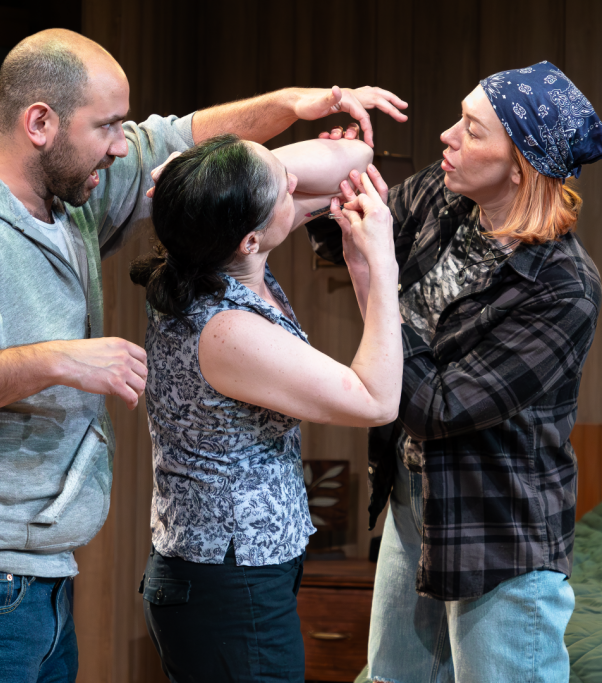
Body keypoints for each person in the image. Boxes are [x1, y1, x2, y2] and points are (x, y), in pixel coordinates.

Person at [0, 27, 407, 683]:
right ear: (40, 123)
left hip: (31, 575)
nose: (124, 147)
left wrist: (293, 101)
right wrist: (57, 359)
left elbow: (176, 138)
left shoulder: (69, 197)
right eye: (109, 126)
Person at [313, 61, 602, 682]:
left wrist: (377, 283)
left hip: (497, 522)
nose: (448, 135)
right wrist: (334, 184)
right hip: (412, 496)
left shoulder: (564, 287)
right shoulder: (442, 196)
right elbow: (359, 234)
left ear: (522, 164)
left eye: (473, 131)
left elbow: (440, 408)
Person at [130, 130, 402, 682]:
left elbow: (356, 158)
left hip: (241, 570)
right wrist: (381, 265)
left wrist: (237, 173)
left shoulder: (214, 254)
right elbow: (377, 400)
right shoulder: (226, 328)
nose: (297, 188)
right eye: (282, 192)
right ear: (249, 240)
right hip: (225, 584)